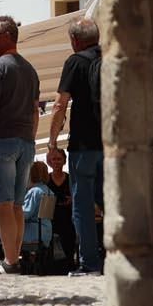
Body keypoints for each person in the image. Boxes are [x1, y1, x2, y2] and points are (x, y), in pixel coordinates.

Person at [0, 15, 41, 275]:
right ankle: (12, 260)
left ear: (7, 36)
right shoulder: (30, 70)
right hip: (26, 141)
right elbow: (35, 110)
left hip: (2, 140)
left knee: (4, 205)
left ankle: (10, 261)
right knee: (16, 205)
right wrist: (31, 137)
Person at [47, 14, 104, 275]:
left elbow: (60, 104)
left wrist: (51, 140)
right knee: (111, 201)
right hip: (110, 143)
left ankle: (89, 263)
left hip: (83, 144)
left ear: (75, 40)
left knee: (81, 205)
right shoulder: (109, 58)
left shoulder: (75, 62)